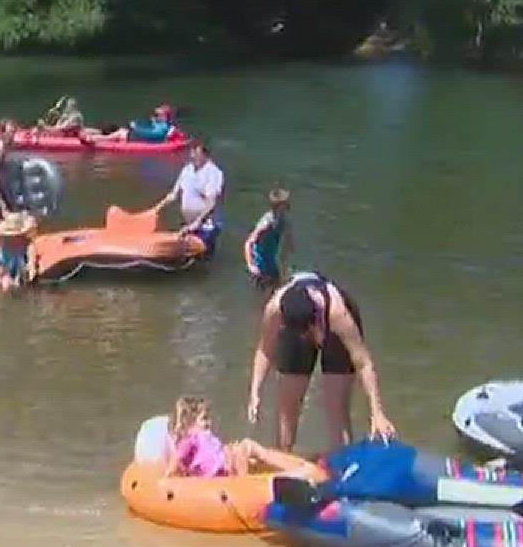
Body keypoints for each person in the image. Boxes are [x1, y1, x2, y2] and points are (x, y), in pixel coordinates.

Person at [248, 272, 396, 453]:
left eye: (307, 333)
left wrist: (377, 412)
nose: (305, 337)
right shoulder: (275, 308)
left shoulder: (338, 313)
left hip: (333, 328)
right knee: (288, 404)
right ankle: (283, 457)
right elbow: (265, 350)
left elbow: (363, 362)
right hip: (300, 320)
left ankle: (342, 462)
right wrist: (255, 392)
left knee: (335, 406)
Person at [164, 396, 320, 480]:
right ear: (190, 422)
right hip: (220, 472)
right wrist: (168, 476)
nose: (209, 422)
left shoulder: (204, 436)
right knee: (247, 446)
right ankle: (295, 470)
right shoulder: (191, 438)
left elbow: (213, 453)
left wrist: (229, 449)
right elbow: (177, 458)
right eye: (204, 419)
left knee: (253, 455)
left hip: (226, 466)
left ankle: (297, 467)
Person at [146, 142, 224, 253]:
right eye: (191, 153)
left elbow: (211, 202)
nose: (192, 156)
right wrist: (156, 209)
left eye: (196, 153)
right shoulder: (187, 170)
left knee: (202, 256)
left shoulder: (214, 173)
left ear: (205, 155)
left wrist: (198, 222)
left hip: (207, 225)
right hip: (189, 223)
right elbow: (173, 195)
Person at [244, 187, 292, 286]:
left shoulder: (283, 221)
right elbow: (249, 242)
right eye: (285, 203)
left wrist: (285, 267)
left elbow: (287, 245)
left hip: (271, 261)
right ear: (278, 206)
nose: (288, 205)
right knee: (261, 291)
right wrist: (250, 265)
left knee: (277, 287)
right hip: (259, 262)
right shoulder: (267, 223)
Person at [0, 210, 39, 291]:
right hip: (4, 263)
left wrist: (32, 264)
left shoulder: (24, 240)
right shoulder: (0, 238)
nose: (12, 237)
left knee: (20, 280)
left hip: (19, 263)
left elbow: (31, 248)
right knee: (4, 281)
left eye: (15, 235)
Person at [79, 104, 178, 144]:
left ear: (164, 116)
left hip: (139, 137)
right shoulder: (159, 123)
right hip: (137, 134)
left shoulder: (163, 127)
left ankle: (91, 139)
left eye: (157, 115)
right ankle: (84, 131)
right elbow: (147, 128)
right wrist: (136, 125)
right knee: (112, 128)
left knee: (120, 133)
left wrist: (136, 128)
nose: (155, 116)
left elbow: (150, 134)